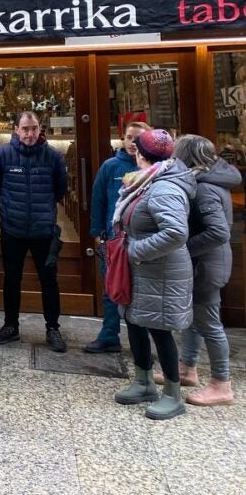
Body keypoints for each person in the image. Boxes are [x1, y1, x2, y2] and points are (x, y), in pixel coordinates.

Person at [112, 128, 195, 420]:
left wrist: (134, 251)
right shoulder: (147, 181)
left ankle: (172, 395)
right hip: (142, 271)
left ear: (141, 155)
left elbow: (175, 232)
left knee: (160, 330)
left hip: (160, 272)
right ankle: (143, 380)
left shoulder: (164, 187)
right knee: (134, 322)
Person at [0, 111, 68, 352]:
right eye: (25, 129)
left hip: (44, 230)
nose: (30, 134)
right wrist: (14, 208)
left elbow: (60, 189)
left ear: (40, 128)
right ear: (16, 129)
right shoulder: (2, 155)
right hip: (13, 228)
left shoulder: (53, 156)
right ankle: (10, 326)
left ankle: (52, 328)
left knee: (49, 280)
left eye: (34, 129)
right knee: (12, 279)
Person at [170, 134, 237, 406]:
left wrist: (185, 248)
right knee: (195, 318)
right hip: (206, 262)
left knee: (209, 323)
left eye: (177, 154)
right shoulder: (209, 180)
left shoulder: (206, 188)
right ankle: (187, 368)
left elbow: (218, 231)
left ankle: (222, 383)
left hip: (208, 264)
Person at [85, 121, 149, 354]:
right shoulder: (110, 167)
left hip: (143, 242)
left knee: (142, 290)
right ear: (122, 139)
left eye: (139, 138)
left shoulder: (155, 167)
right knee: (110, 287)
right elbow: (98, 200)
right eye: (129, 137)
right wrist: (97, 233)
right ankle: (109, 334)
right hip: (112, 240)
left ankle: (143, 341)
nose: (133, 143)